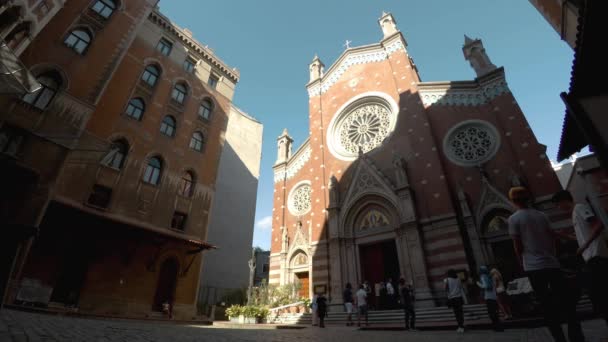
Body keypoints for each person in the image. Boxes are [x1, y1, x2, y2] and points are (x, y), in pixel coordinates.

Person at [508, 186, 585, 342]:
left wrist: (521, 264)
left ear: (513, 201)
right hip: (552, 264)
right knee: (566, 302)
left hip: (534, 268)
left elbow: (518, 246)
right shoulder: (542, 215)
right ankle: (576, 337)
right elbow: (553, 238)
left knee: (547, 306)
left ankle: (560, 339)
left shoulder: (514, 219)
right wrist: (553, 255)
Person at [552, 190, 608, 324]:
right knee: (598, 296)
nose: (558, 208)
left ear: (564, 201)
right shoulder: (574, 214)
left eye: (558, 205)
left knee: (600, 295)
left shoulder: (579, 208)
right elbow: (582, 237)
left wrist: (585, 246)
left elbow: (598, 225)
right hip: (591, 258)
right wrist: (562, 236)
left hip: (597, 256)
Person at [476, 266, 503, 332]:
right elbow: (494, 285)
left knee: (491, 313)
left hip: (488, 297)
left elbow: (485, 286)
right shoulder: (490, 276)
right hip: (494, 296)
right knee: (495, 313)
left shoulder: (483, 276)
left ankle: (495, 327)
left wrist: (478, 284)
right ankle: (498, 327)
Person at [444, 269, 465, 333]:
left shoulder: (446, 280)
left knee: (456, 313)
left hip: (452, 298)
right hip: (459, 297)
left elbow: (445, 289)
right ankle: (462, 326)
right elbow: (460, 287)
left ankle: (460, 326)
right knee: (460, 312)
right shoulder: (458, 279)